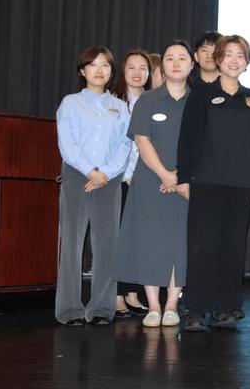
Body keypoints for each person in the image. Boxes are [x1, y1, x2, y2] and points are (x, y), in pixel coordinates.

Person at [176, 34, 250, 331]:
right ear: (218, 59)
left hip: (242, 185)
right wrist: (183, 178)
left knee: (233, 248)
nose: (234, 60)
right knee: (202, 247)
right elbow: (188, 138)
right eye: (228, 54)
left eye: (240, 55)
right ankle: (195, 309)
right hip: (206, 181)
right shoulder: (202, 94)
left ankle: (227, 308)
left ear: (247, 62)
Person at [115, 41, 193, 328]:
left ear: (191, 64)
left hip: (185, 182)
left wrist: (180, 176)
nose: (175, 63)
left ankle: (172, 304)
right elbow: (142, 140)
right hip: (150, 181)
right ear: (162, 67)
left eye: (181, 58)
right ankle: (154, 305)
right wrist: (164, 174)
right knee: (150, 241)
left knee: (179, 241)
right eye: (170, 58)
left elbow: (202, 144)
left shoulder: (197, 102)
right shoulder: (148, 101)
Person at [54, 46, 131, 326]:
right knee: (72, 245)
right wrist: (90, 171)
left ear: (112, 71)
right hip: (77, 176)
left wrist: (105, 173)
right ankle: (70, 310)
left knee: (107, 245)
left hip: (109, 180)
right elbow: (67, 142)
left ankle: (101, 308)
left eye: (106, 65)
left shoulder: (120, 107)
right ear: (82, 71)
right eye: (94, 65)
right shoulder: (71, 103)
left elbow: (126, 144)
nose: (100, 71)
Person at [111, 50, 153, 318]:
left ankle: (132, 292)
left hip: (144, 179)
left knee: (139, 238)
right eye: (131, 68)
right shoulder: (112, 102)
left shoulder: (152, 101)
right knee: (117, 238)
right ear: (122, 72)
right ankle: (115, 295)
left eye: (143, 68)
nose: (138, 73)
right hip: (118, 178)